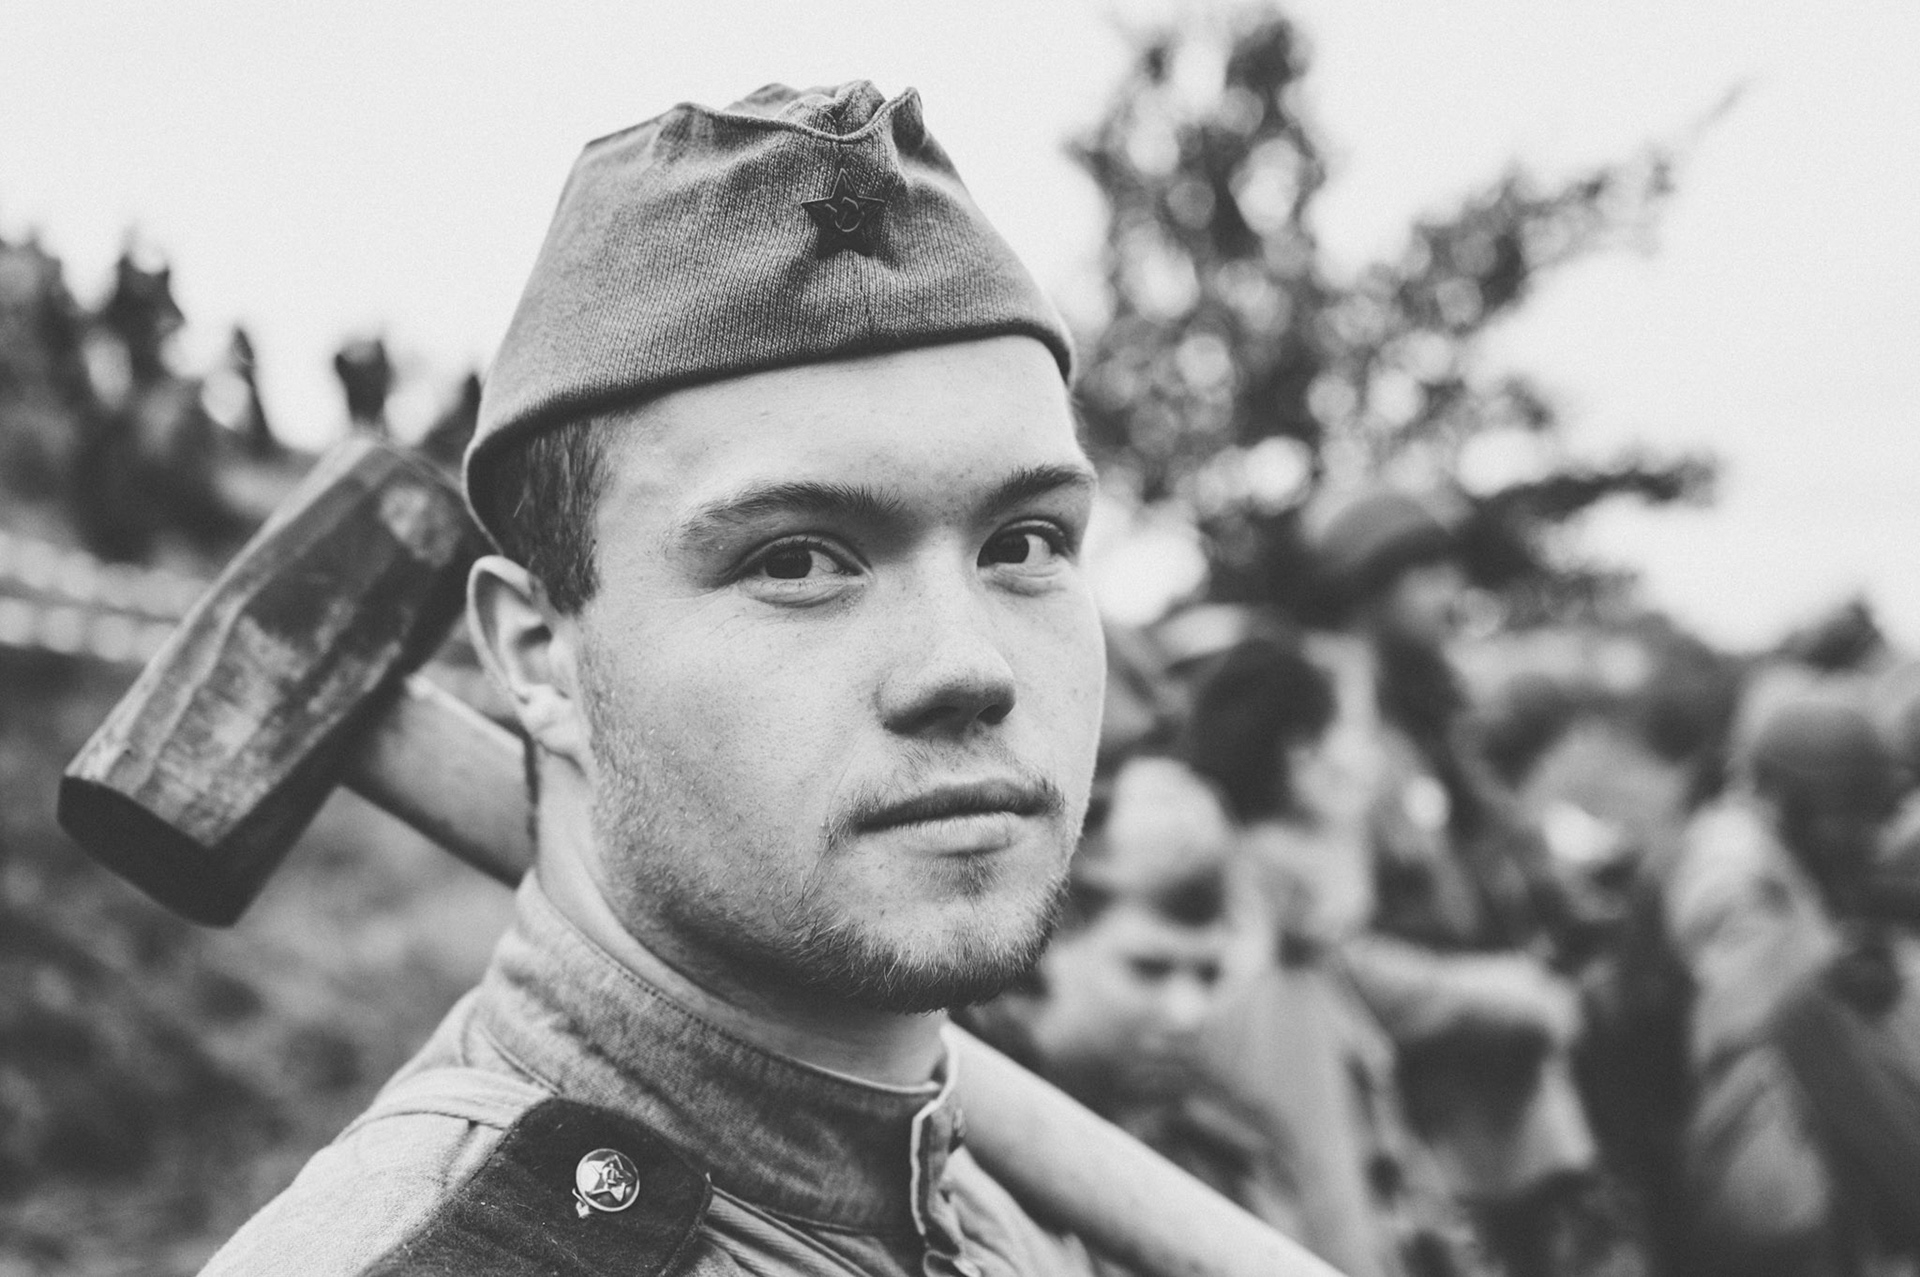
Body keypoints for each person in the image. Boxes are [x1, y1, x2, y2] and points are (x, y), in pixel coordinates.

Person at [200, 81, 1112, 1276]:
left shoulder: (1013, 1221)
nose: (968, 664)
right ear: (540, 655)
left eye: (1026, 541)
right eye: (797, 560)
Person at [1309, 485, 1604, 1277]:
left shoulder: (1430, 721)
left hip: (1507, 1125)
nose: (1453, 594)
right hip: (1430, 1145)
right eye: (1427, 573)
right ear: (1370, 586)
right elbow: (1335, 957)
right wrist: (1506, 993)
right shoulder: (1339, 742)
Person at [1666, 691, 1913, 1276]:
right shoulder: (1727, 861)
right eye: (1852, 812)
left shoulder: (1775, 847)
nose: (1870, 835)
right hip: (1751, 1131)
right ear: (1789, 800)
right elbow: (1757, 1005)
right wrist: (1832, 968)